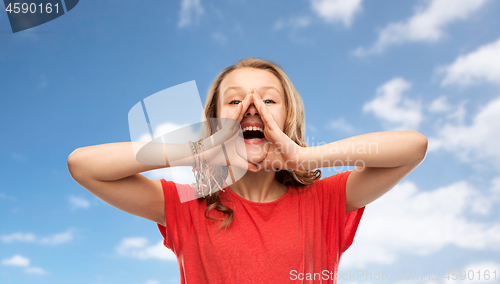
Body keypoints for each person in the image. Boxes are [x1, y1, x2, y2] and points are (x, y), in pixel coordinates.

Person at [67, 58, 428, 283]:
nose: (251, 108)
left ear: (289, 118)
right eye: (235, 100)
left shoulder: (326, 201)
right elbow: (83, 165)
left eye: (268, 100)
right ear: (215, 119)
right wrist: (199, 149)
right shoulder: (188, 205)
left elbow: (412, 146)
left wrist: (304, 158)